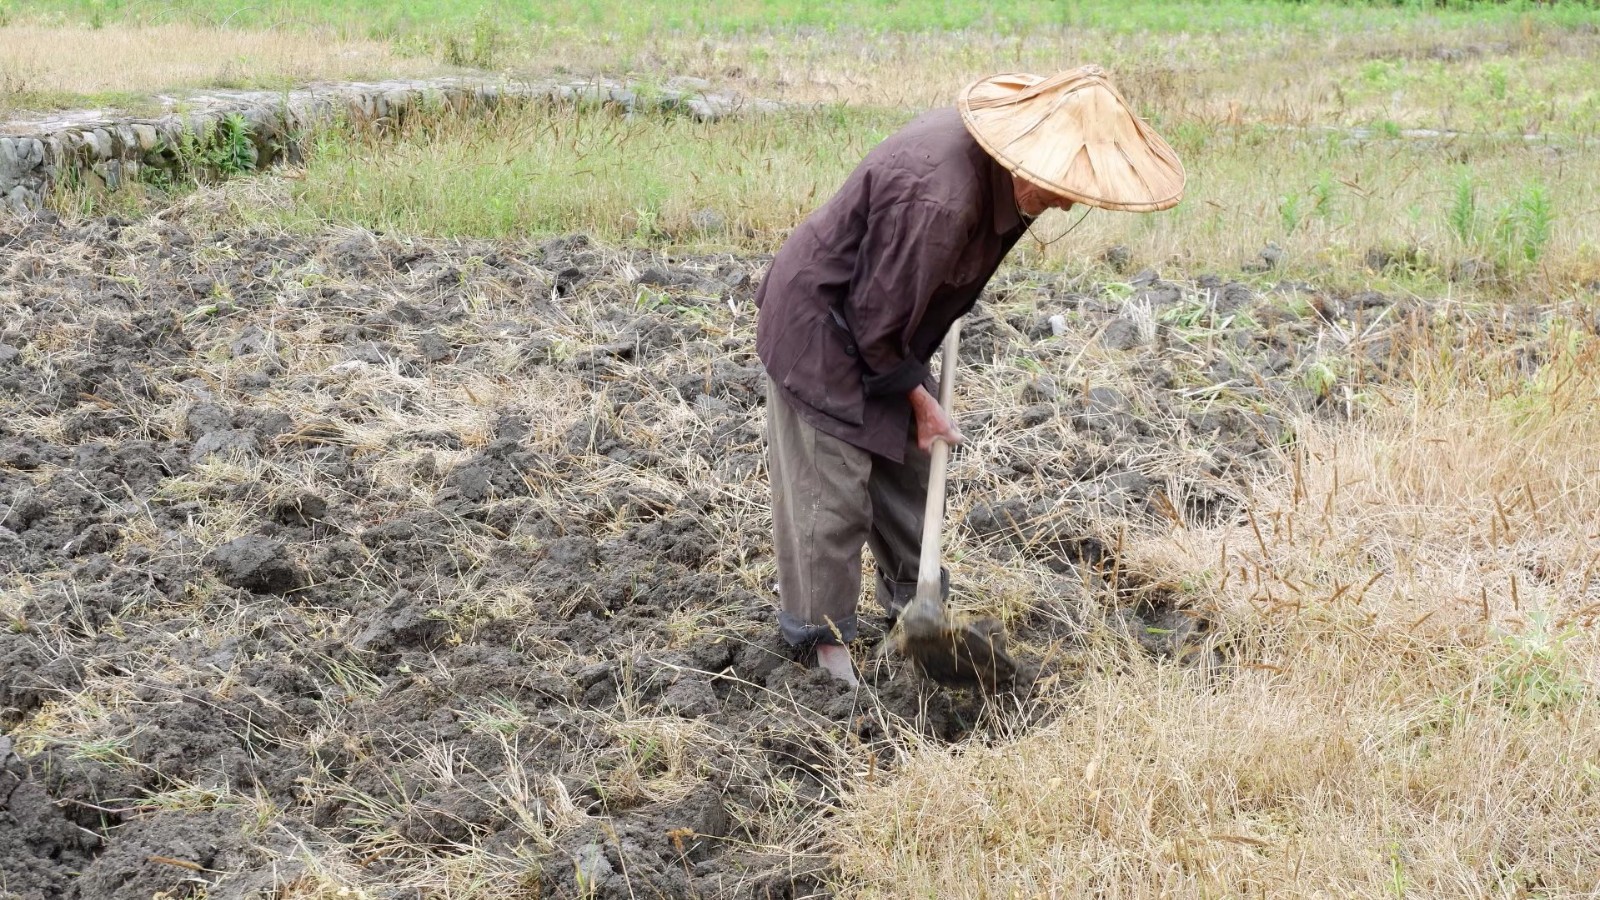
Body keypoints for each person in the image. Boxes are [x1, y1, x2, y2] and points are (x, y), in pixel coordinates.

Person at [754, 66, 1185, 684]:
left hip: (882, 323)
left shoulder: (1001, 175)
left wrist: (914, 389)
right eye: (1062, 186)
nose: (1067, 201)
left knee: (911, 461)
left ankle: (918, 610)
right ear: (1027, 162)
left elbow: (906, 300)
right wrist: (918, 396)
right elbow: (873, 322)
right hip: (824, 326)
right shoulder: (942, 200)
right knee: (833, 487)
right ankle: (823, 650)